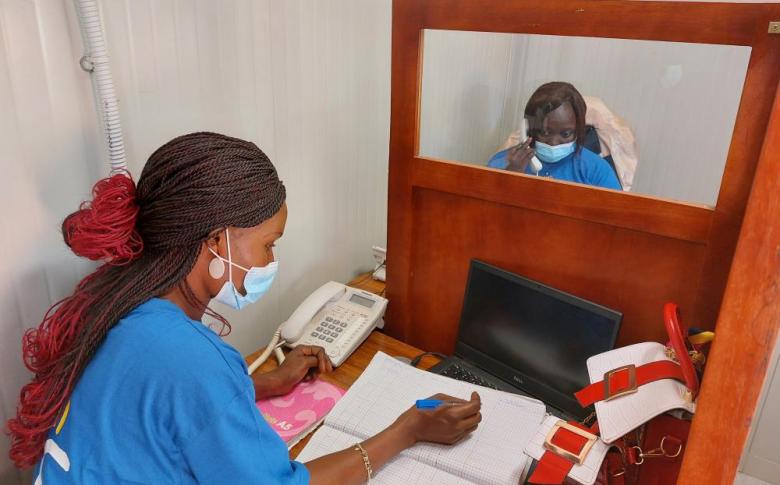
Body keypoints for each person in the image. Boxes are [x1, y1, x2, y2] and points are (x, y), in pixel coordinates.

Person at [8, 132, 482, 484]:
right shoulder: (192, 360)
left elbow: (162, 402)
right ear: (217, 242)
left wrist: (258, 384)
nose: (271, 261)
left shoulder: (114, 302)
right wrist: (408, 429)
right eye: (269, 245)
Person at [487, 82, 622, 190]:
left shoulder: (596, 170)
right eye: (545, 132)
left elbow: (617, 218)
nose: (553, 142)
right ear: (529, 129)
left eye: (566, 134)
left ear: (578, 130)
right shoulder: (501, 163)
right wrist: (509, 177)